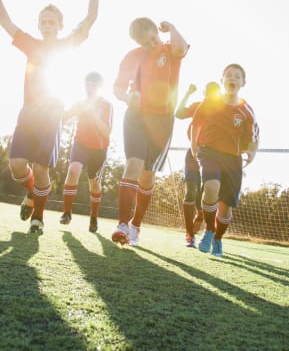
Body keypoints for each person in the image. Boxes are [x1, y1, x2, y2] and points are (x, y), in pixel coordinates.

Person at [0, 0, 99, 235]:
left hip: (52, 116)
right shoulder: (30, 44)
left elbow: (90, 19)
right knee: (17, 166)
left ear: (59, 25)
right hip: (28, 113)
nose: (47, 25)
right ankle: (31, 194)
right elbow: (6, 23)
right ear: (38, 25)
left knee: (41, 167)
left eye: (52, 22)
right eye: (43, 21)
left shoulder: (66, 45)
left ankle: (38, 219)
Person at [111, 17, 189, 246]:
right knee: (133, 164)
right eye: (145, 43)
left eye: (154, 38)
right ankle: (122, 225)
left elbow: (181, 48)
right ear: (137, 42)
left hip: (162, 121)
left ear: (157, 31)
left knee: (147, 175)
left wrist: (173, 27)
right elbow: (117, 88)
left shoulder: (170, 50)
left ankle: (136, 225)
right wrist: (127, 97)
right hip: (136, 116)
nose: (152, 44)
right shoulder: (132, 57)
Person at [191, 63, 259, 257]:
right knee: (211, 188)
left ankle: (218, 239)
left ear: (243, 83)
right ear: (222, 80)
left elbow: (254, 137)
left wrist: (252, 152)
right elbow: (196, 124)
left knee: (226, 207)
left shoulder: (246, 110)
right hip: (209, 152)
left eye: (237, 76)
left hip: (233, 159)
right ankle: (209, 230)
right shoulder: (210, 103)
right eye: (228, 75)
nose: (232, 78)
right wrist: (194, 146)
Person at [59, 71, 113, 233]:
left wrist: (94, 115)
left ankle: (94, 217)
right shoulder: (80, 103)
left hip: (99, 149)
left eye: (93, 85)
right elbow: (64, 118)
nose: (89, 88)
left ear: (99, 87)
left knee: (94, 182)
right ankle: (67, 213)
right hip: (80, 143)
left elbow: (106, 132)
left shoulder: (106, 105)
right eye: (87, 84)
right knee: (73, 170)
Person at [174, 81, 220, 247]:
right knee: (190, 192)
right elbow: (178, 113)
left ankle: (203, 222)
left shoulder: (223, 111)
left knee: (207, 196)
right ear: (204, 93)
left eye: (214, 93)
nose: (210, 96)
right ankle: (189, 234)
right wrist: (188, 92)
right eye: (207, 92)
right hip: (194, 154)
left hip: (212, 157)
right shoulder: (198, 106)